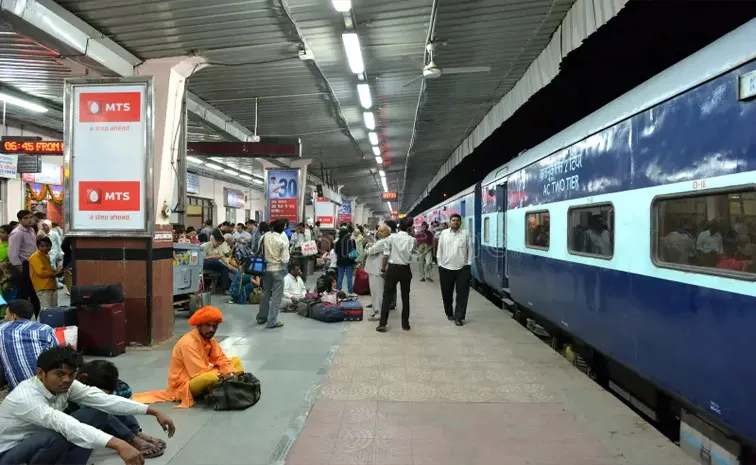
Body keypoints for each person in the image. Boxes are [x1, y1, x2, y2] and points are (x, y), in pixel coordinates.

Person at [0, 345, 175, 465]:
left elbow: (104, 400)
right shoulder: (26, 398)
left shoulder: (65, 385)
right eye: (59, 374)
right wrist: (119, 444)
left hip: (36, 443)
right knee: (56, 436)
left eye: (70, 374)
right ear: (40, 373)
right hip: (9, 455)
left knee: (96, 413)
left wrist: (152, 411)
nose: (66, 380)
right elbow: (65, 424)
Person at [134, 306, 243, 408]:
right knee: (210, 378)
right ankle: (231, 383)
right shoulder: (188, 343)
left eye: (215, 326)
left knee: (235, 361)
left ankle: (229, 381)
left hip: (204, 372)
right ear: (199, 325)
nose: (212, 330)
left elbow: (220, 358)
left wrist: (229, 372)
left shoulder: (210, 339)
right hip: (185, 384)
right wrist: (225, 373)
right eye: (208, 325)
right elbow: (199, 372)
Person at [72, 360, 167, 458]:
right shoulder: (69, 385)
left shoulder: (93, 376)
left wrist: (154, 411)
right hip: (69, 424)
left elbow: (125, 390)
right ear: (82, 378)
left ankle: (136, 432)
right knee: (98, 409)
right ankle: (130, 438)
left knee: (113, 403)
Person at [0, 300, 57, 388]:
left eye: (6, 314)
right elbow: (58, 355)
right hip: (49, 384)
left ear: (13, 316)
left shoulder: (1, 330)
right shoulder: (45, 329)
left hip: (19, 389)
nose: (4, 317)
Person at [376, 218, 417, 333]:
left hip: (393, 269)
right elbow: (413, 256)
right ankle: (405, 324)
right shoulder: (412, 240)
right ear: (410, 227)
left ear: (399, 227)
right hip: (405, 269)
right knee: (405, 297)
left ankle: (382, 324)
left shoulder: (391, 238)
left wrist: (383, 269)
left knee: (387, 296)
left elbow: (386, 255)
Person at [436, 213, 473, 326]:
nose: (455, 222)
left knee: (462, 294)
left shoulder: (465, 234)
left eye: (457, 220)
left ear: (460, 223)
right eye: (453, 220)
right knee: (447, 294)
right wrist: (440, 264)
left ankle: (459, 317)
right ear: (449, 222)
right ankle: (449, 313)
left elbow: (470, 249)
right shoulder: (444, 234)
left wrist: (468, 264)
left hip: (462, 268)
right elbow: (440, 249)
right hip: (445, 268)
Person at [256, 219, 289, 328]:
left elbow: (258, 250)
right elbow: (285, 260)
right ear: (283, 229)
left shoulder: (264, 237)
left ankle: (261, 317)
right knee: (276, 297)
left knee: (266, 293)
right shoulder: (282, 242)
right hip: (277, 270)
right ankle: (272, 321)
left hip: (265, 269)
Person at [8, 210, 41, 316]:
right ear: (20, 220)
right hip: (23, 266)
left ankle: (36, 317)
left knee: (34, 293)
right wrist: (20, 268)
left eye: (31, 217)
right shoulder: (17, 233)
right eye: (26, 218)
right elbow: (12, 254)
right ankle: (15, 316)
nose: (29, 220)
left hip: (33, 265)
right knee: (22, 294)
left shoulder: (31, 230)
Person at [364, 225, 390, 321]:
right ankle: (377, 311)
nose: (379, 232)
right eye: (378, 231)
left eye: (381, 231)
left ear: (387, 232)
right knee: (376, 292)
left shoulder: (383, 242)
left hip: (376, 270)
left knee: (377, 292)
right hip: (375, 269)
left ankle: (378, 313)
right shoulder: (382, 241)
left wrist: (367, 247)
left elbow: (369, 252)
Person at [29, 236, 61, 310]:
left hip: (51, 286)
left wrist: (57, 271)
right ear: (38, 246)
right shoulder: (35, 257)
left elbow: (48, 270)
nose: (45, 248)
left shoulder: (46, 256)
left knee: (53, 310)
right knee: (46, 310)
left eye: (47, 245)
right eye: (42, 246)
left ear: (51, 245)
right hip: (43, 287)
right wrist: (55, 273)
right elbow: (41, 272)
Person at [335, 228, 357, 294]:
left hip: (340, 261)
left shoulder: (338, 242)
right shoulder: (351, 240)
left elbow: (336, 251)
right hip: (349, 261)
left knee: (340, 277)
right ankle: (350, 292)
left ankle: (338, 291)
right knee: (349, 277)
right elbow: (354, 250)